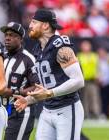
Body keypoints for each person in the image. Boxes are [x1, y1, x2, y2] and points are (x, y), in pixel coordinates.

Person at [14, 9, 85, 140]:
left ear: (45, 25)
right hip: (47, 111)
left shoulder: (60, 47)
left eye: (34, 22)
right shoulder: (38, 49)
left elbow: (79, 81)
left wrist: (50, 93)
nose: (30, 26)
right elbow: (45, 87)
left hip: (67, 109)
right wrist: (28, 100)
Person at [0, 22, 39, 140]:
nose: (7, 38)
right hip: (4, 109)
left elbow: (37, 86)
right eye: (6, 35)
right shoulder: (2, 56)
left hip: (21, 110)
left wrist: (14, 91)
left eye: (11, 35)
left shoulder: (28, 59)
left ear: (20, 38)